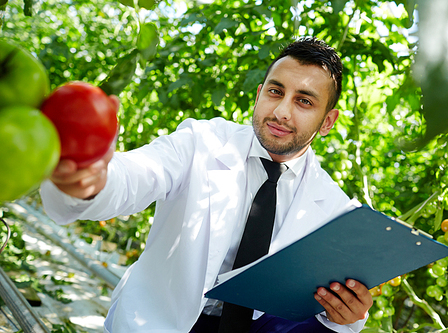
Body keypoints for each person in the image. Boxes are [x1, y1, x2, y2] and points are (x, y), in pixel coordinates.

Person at [40, 37, 373, 333]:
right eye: (275, 92)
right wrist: (92, 177)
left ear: (328, 121)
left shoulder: (334, 206)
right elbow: (135, 174)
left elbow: (330, 308)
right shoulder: (202, 141)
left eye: (304, 101)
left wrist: (347, 316)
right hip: (160, 322)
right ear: (259, 95)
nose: (282, 111)